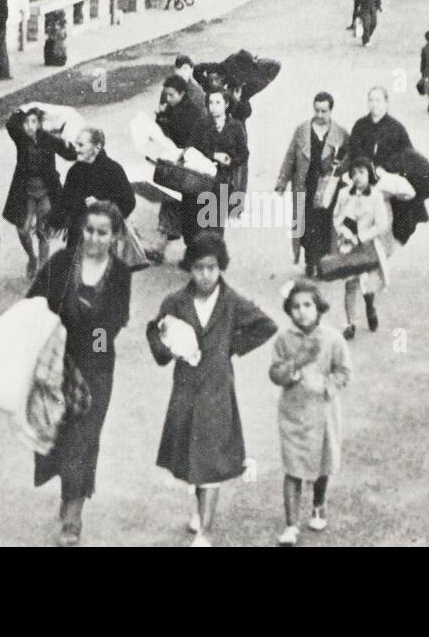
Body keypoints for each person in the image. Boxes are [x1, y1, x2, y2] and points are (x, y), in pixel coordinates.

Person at [146, 234, 278, 546]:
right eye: (198, 268)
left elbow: (266, 326)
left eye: (212, 268)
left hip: (217, 390)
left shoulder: (231, 302)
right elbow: (156, 333)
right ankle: (198, 513)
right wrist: (169, 349)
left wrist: (231, 346)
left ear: (221, 268)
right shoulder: (175, 302)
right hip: (186, 390)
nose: (205, 275)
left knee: (211, 462)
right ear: (189, 269)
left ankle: (205, 532)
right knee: (193, 457)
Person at [27, 200, 132, 546]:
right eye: (89, 230)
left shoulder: (119, 273)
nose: (94, 238)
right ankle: (68, 493)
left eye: (103, 232)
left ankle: (73, 517)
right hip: (57, 365)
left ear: (115, 236)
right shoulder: (61, 262)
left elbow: (116, 320)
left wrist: (91, 335)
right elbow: (34, 301)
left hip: (96, 372)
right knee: (59, 437)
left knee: (83, 441)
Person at [268, 279, 352, 547]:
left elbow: (344, 371)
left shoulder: (333, 338)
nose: (302, 311)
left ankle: (318, 504)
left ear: (319, 308)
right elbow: (275, 372)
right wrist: (293, 368)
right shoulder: (283, 339)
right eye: (295, 307)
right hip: (293, 413)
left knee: (321, 464)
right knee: (293, 468)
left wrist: (326, 386)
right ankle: (291, 525)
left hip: (323, 413)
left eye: (307, 305)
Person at [277, 92, 350, 278]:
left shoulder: (341, 133)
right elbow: (290, 157)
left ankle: (324, 263)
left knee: (326, 226)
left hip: (329, 189)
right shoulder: (301, 130)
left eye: (324, 111)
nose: (319, 114)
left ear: (331, 110)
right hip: (305, 186)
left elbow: (349, 159)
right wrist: (281, 182)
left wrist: (340, 167)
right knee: (307, 226)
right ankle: (310, 262)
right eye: (316, 110)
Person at [2, 107, 77, 279]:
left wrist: (67, 142)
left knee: (43, 231)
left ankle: (43, 267)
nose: (29, 126)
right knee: (22, 230)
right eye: (26, 122)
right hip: (25, 190)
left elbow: (71, 155)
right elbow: (10, 124)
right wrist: (22, 110)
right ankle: (32, 258)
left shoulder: (49, 139)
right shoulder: (20, 138)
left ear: (40, 123)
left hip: (45, 190)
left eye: (34, 122)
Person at [49, 127, 136, 257]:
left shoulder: (113, 170)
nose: (76, 149)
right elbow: (64, 201)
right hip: (77, 239)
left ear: (97, 147)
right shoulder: (74, 171)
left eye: (81, 145)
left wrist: (102, 204)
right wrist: (53, 221)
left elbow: (128, 202)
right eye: (75, 144)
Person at [332, 158, 392, 340]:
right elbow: (336, 218)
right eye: (354, 173)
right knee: (350, 284)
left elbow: (382, 225)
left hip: (367, 246)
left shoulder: (376, 196)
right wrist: (344, 232)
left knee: (366, 283)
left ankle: (370, 306)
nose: (357, 177)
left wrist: (362, 237)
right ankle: (350, 323)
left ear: (369, 174)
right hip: (349, 246)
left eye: (361, 172)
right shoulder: (344, 194)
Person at [156, 75, 213, 247]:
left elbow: (191, 139)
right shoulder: (176, 108)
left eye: (171, 95)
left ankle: (165, 245)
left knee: (176, 203)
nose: (168, 98)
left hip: (187, 165)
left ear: (181, 94)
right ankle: (164, 244)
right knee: (173, 203)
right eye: (166, 94)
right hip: (178, 162)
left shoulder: (191, 113)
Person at [201, 88, 250, 232]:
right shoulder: (202, 125)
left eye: (218, 102)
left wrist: (231, 161)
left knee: (216, 223)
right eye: (210, 103)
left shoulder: (236, 126)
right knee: (201, 222)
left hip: (224, 179)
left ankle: (214, 252)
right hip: (202, 178)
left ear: (226, 104)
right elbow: (193, 148)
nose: (213, 107)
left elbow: (244, 153)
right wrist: (214, 156)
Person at [342, 86, 412, 170]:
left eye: (378, 100)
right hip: (363, 174)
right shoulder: (360, 125)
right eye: (371, 100)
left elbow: (408, 155)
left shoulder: (396, 128)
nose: (374, 104)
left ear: (386, 103)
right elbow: (352, 150)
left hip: (388, 175)